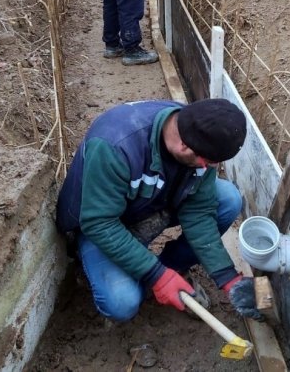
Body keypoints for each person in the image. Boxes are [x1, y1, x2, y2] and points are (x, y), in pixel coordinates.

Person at [55, 98, 263, 323]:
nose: (211, 167)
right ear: (184, 146)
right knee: (122, 303)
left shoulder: (199, 132)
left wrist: (227, 278)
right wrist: (156, 276)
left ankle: (171, 269)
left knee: (228, 198)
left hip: (148, 206)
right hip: (100, 224)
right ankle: (147, 273)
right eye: (208, 162)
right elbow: (98, 222)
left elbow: (199, 212)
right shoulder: (115, 146)